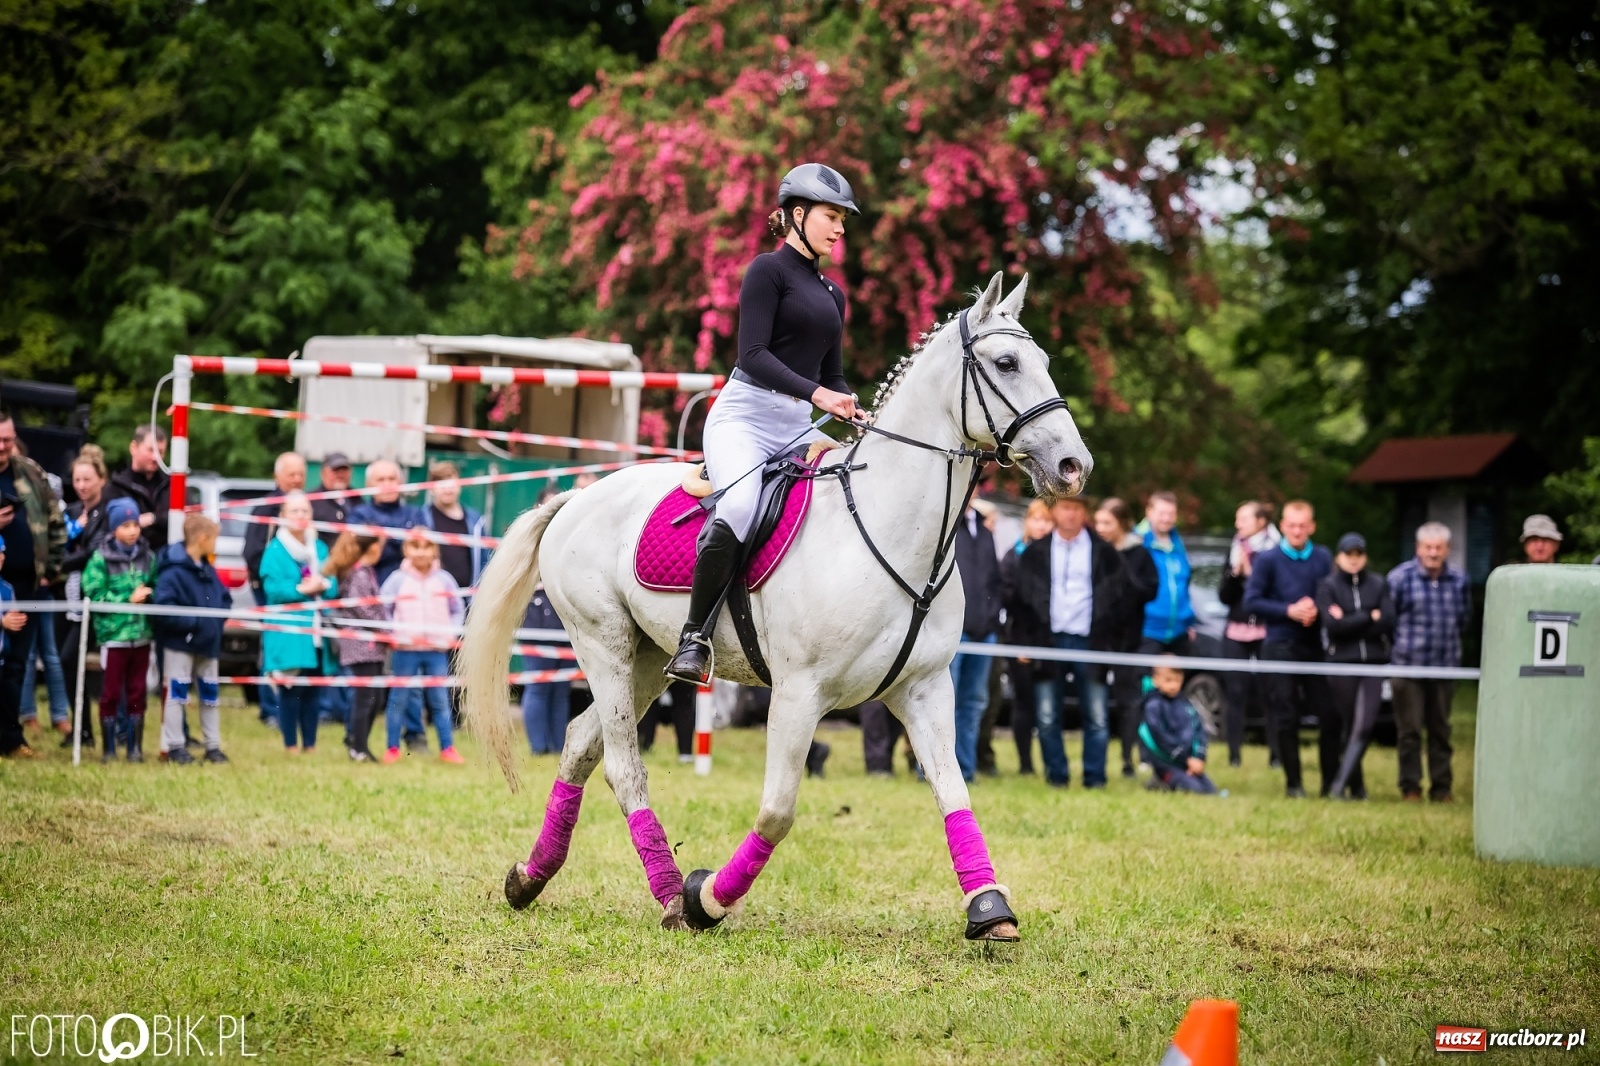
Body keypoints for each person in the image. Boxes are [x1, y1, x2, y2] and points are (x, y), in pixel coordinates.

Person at [664, 162, 861, 683]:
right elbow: (752, 354)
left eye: (844, 219)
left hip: (796, 424)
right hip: (745, 417)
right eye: (831, 216)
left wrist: (851, 405)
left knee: (855, 483)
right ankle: (695, 638)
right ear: (798, 215)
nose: (840, 228)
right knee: (743, 503)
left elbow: (833, 375)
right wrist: (820, 392)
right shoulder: (765, 272)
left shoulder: (833, 294)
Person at [1009, 495, 1122, 788]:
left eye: (1076, 508)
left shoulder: (1104, 553)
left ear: (1085, 512)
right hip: (1048, 641)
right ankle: (1056, 776)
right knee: (1046, 715)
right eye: (1064, 507)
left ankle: (1094, 778)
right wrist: (1024, 642)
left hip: (1090, 641)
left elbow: (1119, 600)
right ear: (1054, 510)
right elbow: (1020, 602)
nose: (1070, 514)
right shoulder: (1035, 553)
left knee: (1097, 715)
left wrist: (1110, 640)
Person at [1243, 499, 1336, 798]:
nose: (1297, 531)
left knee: (1330, 715)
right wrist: (1289, 611)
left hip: (1314, 646)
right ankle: (1294, 784)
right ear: (1283, 526)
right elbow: (1252, 601)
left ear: (1311, 527)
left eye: (1303, 525)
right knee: (1285, 716)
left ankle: (1330, 784)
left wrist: (1317, 610)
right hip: (1279, 645)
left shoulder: (1323, 557)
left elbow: (1333, 596)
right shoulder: (1268, 559)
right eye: (1291, 525)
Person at [0, 410, 68, 756]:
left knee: (17, 663)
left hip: (26, 587)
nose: (3, 447)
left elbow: (56, 521)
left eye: (8, 440)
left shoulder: (29, 471)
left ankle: (11, 739)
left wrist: (52, 569)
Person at [1387, 522, 1470, 803]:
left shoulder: (1459, 580)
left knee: (1441, 731)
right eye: (1428, 547)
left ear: (1447, 550)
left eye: (1439, 548)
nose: (1433, 553)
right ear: (1418, 548)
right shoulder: (1400, 578)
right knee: (1409, 732)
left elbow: (1464, 619)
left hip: (1444, 666)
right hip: (1407, 666)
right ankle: (1410, 787)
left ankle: (1442, 788)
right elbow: (1389, 622)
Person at [1316, 532, 1393, 799]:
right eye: (1349, 554)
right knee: (1350, 726)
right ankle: (1357, 787)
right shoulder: (1328, 586)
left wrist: (1351, 620)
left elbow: (1387, 621)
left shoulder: (1378, 584)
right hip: (1342, 663)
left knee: (1364, 726)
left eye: (1358, 554)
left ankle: (1339, 785)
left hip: (1373, 663)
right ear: (1339, 557)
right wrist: (1367, 617)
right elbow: (1333, 627)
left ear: (1365, 557)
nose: (1354, 559)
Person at [380, 528, 465, 764]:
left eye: (426, 546)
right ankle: (392, 748)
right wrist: (392, 634)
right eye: (415, 546)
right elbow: (382, 609)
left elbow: (457, 609)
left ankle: (447, 748)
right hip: (405, 650)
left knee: (439, 700)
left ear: (434, 550)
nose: (421, 552)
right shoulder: (397, 580)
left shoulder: (445, 580)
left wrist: (451, 634)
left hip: (436, 650)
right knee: (398, 699)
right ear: (406, 549)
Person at [152, 513, 231, 764]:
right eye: (214, 539)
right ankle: (175, 746)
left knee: (209, 696)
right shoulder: (172, 573)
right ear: (203, 538)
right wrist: (194, 624)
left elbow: (224, 598)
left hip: (208, 645)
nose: (216, 545)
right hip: (180, 645)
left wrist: (214, 623)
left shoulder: (208, 569)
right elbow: (164, 608)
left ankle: (213, 746)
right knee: (177, 695)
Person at [82, 497, 156, 762]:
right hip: (114, 637)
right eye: (125, 525)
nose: (132, 530)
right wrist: (127, 600)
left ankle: (135, 748)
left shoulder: (148, 556)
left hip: (142, 636)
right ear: (114, 528)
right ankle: (109, 749)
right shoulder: (100, 559)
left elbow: (156, 586)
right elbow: (93, 595)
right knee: (111, 692)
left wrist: (152, 596)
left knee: (138, 691)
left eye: (135, 523)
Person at [260, 491, 333, 754]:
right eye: (295, 511)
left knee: (313, 689)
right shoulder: (275, 550)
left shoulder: (320, 548)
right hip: (287, 630)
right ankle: (290, 744)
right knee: (290, 688)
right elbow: (274, 589)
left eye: (305, 511)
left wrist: (322, 584)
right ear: (283, 516)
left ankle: (310, 745)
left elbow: (332, 582)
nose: (301, 516)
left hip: (315, 630)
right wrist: (302, 589)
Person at [1092, 498, 1159, 778]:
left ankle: (1127, 759)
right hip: (1097, 638)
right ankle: (1096, 760)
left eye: (1107, 523)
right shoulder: (1095, 550)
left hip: (1129, 640)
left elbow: (1149, 591)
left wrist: (1123, 567)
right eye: (1098, 523)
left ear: (1121, 523)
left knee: (1128, 701)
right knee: (1095, 702)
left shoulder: (1140, 554)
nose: (1101, 528)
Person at [243, 451, 307, 727]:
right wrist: (271, 584)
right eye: (290, 473)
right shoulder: (265, 509)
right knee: (273, 649)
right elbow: (253, 553)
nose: (295, 479)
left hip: (305, 594)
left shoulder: (308, 505)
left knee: (301, 650)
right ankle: (270, 709)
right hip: (272, 592)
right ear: (277, 476)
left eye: (300, 474)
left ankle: (296, 710)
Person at [1216, 501, 1280, 767]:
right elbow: (1224, 597)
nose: (1237, 524)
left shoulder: (1277, 553)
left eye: (1243, 518)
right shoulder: (1234, 551)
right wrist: (1235, 574)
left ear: (1261, 522)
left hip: (1267, 630)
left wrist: (1254, 575)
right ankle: (1234, 756)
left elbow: (1279, 594)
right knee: (1236, 693)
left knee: (1271, 693)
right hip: (1236, 630)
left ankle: (1276, 755)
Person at [950, 501, 1007, 782]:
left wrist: (993, 617)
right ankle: (936, 769)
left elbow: (994, 580)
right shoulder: (946, 519)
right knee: (943, 702)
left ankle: (966, 769)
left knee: (974, 702)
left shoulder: (984, 529)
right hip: (952, 630)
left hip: (985, 631)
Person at [61, 445, 112, 747]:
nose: (81, 486)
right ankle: (81, 729)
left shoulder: (109, 512)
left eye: (87, 480)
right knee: (65, 661)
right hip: (65, 595)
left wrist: (57, 565)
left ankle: (90, 729)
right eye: (77, 480)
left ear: (101, 480)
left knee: (72, 658)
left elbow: (93, 553)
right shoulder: (69, 511)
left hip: (94, 597)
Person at [1000, 499, 1055, 774]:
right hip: (1020, 639)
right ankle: (1025, 764)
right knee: (1024, 703)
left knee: (1048, 706)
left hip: (1051, 641)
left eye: (1047, 520)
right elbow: (1008, 598)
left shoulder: (1060, 555)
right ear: (1027, 522)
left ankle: (1052, 763)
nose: (1041, 525)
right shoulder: (1014, 555)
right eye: (1036, 519)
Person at [323, 533, 387, 761]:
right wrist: (387, 631)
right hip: (361, 646)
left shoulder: (365, 572)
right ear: (372, 548)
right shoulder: (359, 574)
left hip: (373, 645)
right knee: (365, 698)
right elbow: (364, 610)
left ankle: (358, 742)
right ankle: (357, 746)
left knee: (375, 698)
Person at [1138, 660, 1217, 794]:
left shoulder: (1186, 705)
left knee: (1210, 790)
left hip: (1189, 762)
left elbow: (1199, 731)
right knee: (1194, 790)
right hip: (1167, 763)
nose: (1173, 685)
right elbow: (1160, 739)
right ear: (1156, 679)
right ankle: (1158, 782)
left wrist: (1199, 757)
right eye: (1168, 680)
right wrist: (1185, 760)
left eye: (1177, 680)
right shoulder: (1153, 706)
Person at [1138, 491, 1196, 657]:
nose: (1166, 519)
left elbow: (1184, 585)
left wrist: (1190, 622)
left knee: (1178, 681)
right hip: (1147, 630)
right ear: (1149, 512)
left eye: (1171, 514)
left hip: (1179, 631)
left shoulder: (1178, 545)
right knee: (1145, 681)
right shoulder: (1138, 542)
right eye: (1162, 513)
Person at [350, 459, 424, 584]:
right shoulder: (359, 514)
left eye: (392, 479)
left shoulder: (415, 513)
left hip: (411, 586)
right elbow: (362, 552)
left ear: (400, 482)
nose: (387, 484)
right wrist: (405, 539)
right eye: (380, 480)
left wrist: (383, 538)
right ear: (368, 484)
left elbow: (424, 550)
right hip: (372, 586)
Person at [520, 583, 571, 756]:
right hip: (537, 628)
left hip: (568, 628)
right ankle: (539, 747)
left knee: (561, 692)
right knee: (538, 690)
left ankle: (559, 746)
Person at [423, 460, 490, 590]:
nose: (447, 489)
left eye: (452, 483)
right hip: (434, 595)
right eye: (442, 484)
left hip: (468, 598)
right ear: (431, 488)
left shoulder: (476, 521)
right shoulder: (422, 517)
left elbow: (484, 560)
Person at [105, 424, 171, 553]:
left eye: (160, 452)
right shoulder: (116, 487)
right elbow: (110, 527)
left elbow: (188, 517)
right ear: (134, 447)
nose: (155, 458)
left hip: (167, 559)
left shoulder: (171, 484)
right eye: (151, 450)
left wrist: (154, 518)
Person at [0, 537, 35, 758]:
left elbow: (12, 618)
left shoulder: (6, 588)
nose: (1, 557)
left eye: (3, 552)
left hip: (2, 658)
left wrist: (15, 623)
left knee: (6, 701)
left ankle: (10, 744)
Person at [310, 452, 352, 548]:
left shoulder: (357, 499)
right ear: (323, 473)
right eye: (336, 470)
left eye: (344, 470)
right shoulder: (311, 500)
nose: (341, 475)